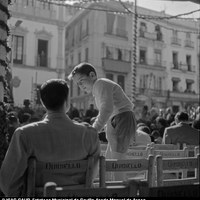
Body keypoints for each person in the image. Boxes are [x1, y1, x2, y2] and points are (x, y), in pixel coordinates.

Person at [0, 79, 100, 197]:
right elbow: (91, 176)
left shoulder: (24, 134)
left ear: (43, 102)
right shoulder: (90, 135)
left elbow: (8, 184)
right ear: (67, 101)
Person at [68, 62, 136, 181]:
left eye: (81, 81)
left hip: (121, 118)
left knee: (117, 161)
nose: (80, 86)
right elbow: (108, 109)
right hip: (118, 119)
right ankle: (114, 188)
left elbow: (107, 108)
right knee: (111, 160)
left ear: (92, 75)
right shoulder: (99, 87)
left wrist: (95, 129)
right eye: (78, 84)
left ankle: (120, 190)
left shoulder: (100, 84)